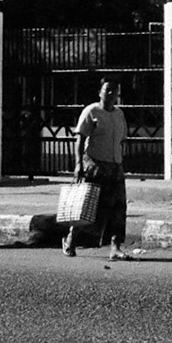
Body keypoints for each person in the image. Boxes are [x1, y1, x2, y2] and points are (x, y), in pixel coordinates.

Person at [62, 78, 130, 260]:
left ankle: (115, 247)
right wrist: (78, 165)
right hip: (95, 165)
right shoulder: (91, 112)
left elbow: (121, 139)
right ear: (100, 92)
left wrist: (120, 162)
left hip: (115, 167)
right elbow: (80, 140)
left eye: (114, 91)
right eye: (107, 90)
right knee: (89, 207)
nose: (110, 94)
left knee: (118, 208)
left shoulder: (119, 114)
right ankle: (71, 237)